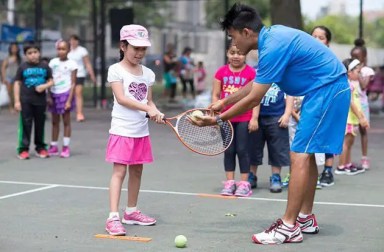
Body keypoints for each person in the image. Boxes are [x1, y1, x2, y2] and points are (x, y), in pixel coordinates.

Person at [191, 3, 351, 244]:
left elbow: (255, 97)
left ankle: (288, 226)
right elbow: (256, 84)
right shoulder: (272, 38)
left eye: (233, 37)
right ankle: (305, 218)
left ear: (246, 32)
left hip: (327, 91)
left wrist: (217, 120)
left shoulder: (274, 45)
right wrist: (223, 102)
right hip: (324, 90)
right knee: (304, 155)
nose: (233, 44)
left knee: (298, 155)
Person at [105, 24, 165, 236]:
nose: (139, 53)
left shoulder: (148, 74)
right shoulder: (115, 70)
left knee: (137, 170)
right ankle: (113, 217)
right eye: (135, 48)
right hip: (122, 130)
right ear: (123, 46)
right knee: (119, 171)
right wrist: (148, 108)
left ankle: (130, 212)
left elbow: (149, 100)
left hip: (141, 131)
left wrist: (154, 110)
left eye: (143, 49)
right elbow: (122, 99)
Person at [283, 26, 336, 188]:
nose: (317, 39)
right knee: (295, 146)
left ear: (328, 42)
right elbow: (290, 86)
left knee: (315, 147)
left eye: (321, 37)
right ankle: (295, 175)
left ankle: (319, 175)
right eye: (314, 36)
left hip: (315, 111)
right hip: (295, 111)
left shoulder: (329, 63)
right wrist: (290, 111)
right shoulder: (300, 60)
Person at [212, 44, 256, 197]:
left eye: (240, 53)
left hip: (244, 117)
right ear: (227, 54)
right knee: (229, 150)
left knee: (242, 150)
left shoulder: (251, 73)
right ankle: (230, 183)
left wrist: (255, 118)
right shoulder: (221, 72)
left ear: (246, 55)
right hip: (225, 119)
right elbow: (216, 95)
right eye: (232, 53)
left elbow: (256, 98)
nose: (236, 56)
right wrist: (215, 115)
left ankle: (244, 184)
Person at [248, 84, 293, 193]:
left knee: (277, 149)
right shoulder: (257, 72)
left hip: (277, 116)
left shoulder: (283, 74)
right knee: (253, 148)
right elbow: (253, 95)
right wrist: (253, 118)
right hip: (257, 117)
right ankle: (251, 175)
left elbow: (290, 94)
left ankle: (275, 176)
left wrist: (287, 114)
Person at [13, 43, 53, 160]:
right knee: (26, 124)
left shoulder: (45, 66)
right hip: (26, 101)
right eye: (29, 53)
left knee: (40, 125)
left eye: (35, 52)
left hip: (40, 101)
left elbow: (51, 81)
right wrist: (16, 101)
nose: (33, 55)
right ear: (25, 55)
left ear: (39, 53)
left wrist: (44, 86)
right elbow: (17, 83)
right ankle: (23, 149)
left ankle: (40, 147)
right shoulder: (22, 67)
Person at [335, 58, 369, 175]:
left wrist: (361, 116)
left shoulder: (352, 85)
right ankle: (341, 166)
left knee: (350, 142)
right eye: (357, 72)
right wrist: (361, 118)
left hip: (352, 118)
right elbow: (351, 103)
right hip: (348, 118)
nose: (358, 74)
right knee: (346, 142)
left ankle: (347, 164)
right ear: (349, 73)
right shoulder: (347, 85)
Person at [47, 40, 78, 158]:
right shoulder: (53, 62)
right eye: (59, 49)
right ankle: (53, 146)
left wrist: (69, 100)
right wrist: (49, 95)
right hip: (54, 94)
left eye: (63, 49)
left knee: (66, 122)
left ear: (68, 50)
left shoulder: (72, 64)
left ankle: (65, 147)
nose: (61, 51)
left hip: (65, 94)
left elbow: (73, 83)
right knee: (54, 121)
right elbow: (49, 80)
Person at [350, 39, 375, 169]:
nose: (354, 60)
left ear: (363, 57)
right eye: (352, 57)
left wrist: (358, 71)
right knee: (349, 132)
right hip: (351, 105)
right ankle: (346, 159)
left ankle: (364, 157)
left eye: (357, 57)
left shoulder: (367, 71)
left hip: (362, 105)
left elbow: (364, 86)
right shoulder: (349, 69)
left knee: (363, 131)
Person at [68, 34, 97, 122]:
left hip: (79, 74)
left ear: (78, 41)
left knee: (78, 93)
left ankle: (79, 113)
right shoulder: (67, 51)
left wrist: (92, 75)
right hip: (68, 75)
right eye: (71, 40)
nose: (73, 42)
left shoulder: (82, 51)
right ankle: (66, 111)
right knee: (68, 94)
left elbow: (87, 63)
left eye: (75, 40)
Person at [1, 42, 21, 113]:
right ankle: (11, 107)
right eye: (13, 48)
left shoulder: (20, 58)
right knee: (10, 93)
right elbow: (3, 68)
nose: (14, 49)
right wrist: (3, 78)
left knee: (17, 93)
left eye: (15, 48)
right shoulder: (7, 58)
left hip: (18, 77)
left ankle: (17, 106)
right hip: (9, 77)